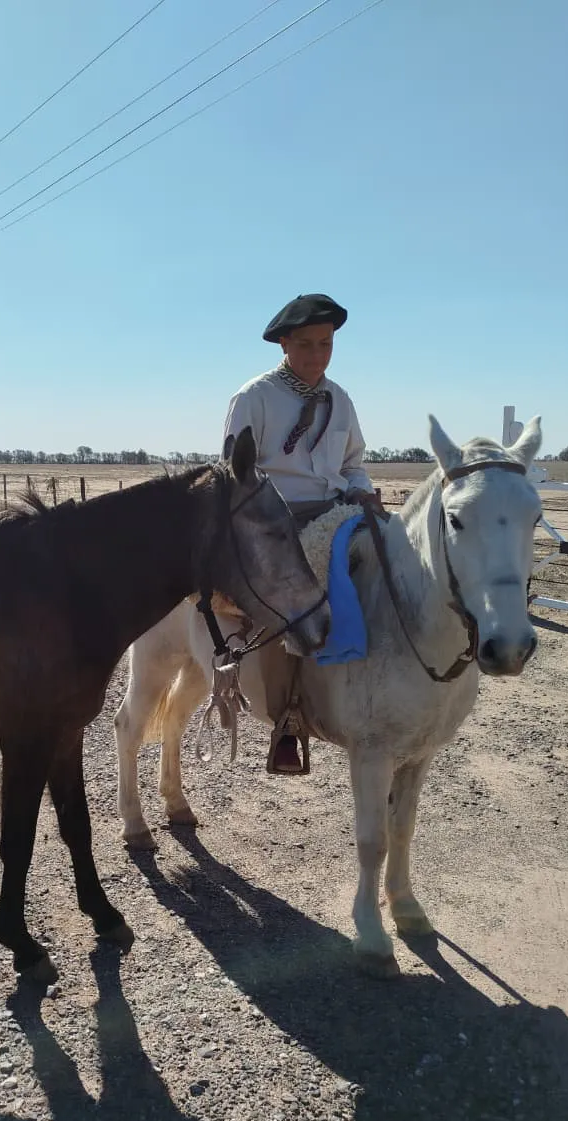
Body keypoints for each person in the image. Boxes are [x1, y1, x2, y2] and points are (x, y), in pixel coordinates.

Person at [220, 292, 380, 774]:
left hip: (336, 511)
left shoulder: (341, 399)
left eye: (326, 345)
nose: (317, 356)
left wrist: (363, 491)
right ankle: (286, 718)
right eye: (306, 345)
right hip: (274, 518)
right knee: (286, 601)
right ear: (285, 344)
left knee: (393, 568)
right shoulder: (254, 398)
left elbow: (352, 463)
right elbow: (234, 472)